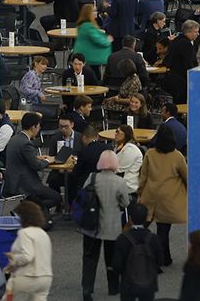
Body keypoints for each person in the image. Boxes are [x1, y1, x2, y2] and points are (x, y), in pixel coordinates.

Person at [81, 149, 133, 301]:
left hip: (92, 226)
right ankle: (113, 287)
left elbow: (83, 196)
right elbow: (125, 203)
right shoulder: (120, 182)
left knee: (90, 259)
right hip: (112, 227)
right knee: (112, 259)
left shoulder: (92, 178)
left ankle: (87, 290)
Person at [136, 125, 187, 266]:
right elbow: (186, 176)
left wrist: (140, 192)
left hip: (150, 195)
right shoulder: (177, 156)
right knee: (163, 230)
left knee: (142, 226)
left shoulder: (150, 153)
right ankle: (164, 257)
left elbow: (143, 176)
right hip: (168, 198)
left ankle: (139, 254)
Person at [4, 113, 61, 216]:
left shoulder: (15, 139)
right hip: (26, 183)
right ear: (33, 127)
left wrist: (37, 157)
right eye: (38, 127)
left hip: (13, 180)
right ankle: (24, 211)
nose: (38, 130)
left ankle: (27, 208)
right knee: (56, 197)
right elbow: (37, 166)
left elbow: (21, 157)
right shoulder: (26, 144)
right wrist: (49, 160)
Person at [114, 202, 163, 301]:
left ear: (130, 218)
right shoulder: (153, 239)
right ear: (145, 218)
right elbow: (160, 260)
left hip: (128, 283)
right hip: (148, 282)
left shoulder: (123, 239)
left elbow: (117, 264)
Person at [7, 200, 52, 301]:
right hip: (45, 278)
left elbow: (27, 256)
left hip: (27, 277)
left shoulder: (24, 233)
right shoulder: (43, 234)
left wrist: (13, 258)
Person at [75, 2, 112, 80]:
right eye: (94, 11)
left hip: (85, 55)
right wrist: (108, 40)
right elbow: (98, 40)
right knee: (95, 77)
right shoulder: (89, 26)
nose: (96, 13)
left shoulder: (83, 25)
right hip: (90, 57)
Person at [115, 124, 144, 194]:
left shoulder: (131, 149)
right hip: (120, 182)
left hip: (129, 187)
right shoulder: (119, 147)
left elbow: (120, 168)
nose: (115, 134)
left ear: (125, 134)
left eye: (118, 132)